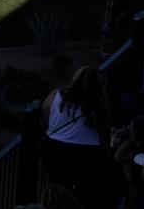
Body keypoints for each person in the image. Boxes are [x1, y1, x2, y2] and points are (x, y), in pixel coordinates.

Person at [41, 66, 108, 204]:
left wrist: (52, 124)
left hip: (55, 150)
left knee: (58, 190)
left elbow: (45, 109)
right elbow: (105, 130)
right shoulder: (100, 104)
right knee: (86, 194)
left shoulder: (57, 94)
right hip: (87, 154)